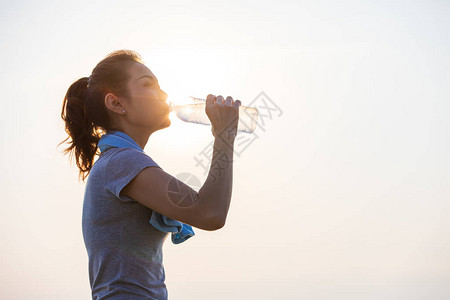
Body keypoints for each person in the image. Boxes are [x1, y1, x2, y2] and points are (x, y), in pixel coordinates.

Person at [59, 49, 241, 299]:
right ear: (116, 103)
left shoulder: (118, 160)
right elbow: (210, 213)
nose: (164, 94)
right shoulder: (122, 161)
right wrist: (224, 136)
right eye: (148, 85)